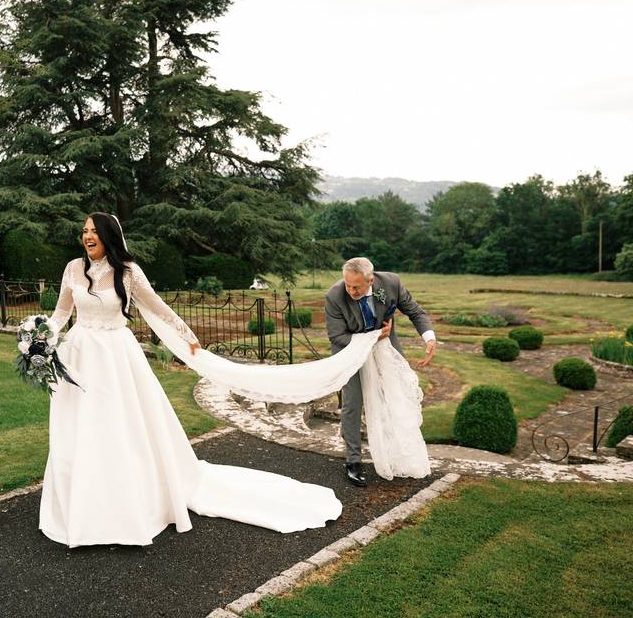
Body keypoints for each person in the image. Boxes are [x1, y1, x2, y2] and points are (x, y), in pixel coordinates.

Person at [40, 212, 344, 547]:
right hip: (80, 355)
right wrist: (39, 337)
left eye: (94, 231)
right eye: (84, 231)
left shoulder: (128, 272)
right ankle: (83, 498)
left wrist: (186, 335)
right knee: (81, 426)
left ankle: (127, 498)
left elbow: (157, 308)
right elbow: (61, 314)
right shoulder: (72, 268)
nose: (87, 236)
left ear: (108, 236)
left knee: (118, 424)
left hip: (114, 358)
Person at [324, 257, 435, 487]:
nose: (350, 290)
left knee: (398, 396)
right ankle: (353, 461)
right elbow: (337, 337)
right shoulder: (334, 296)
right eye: (347, 285)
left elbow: (415, 312)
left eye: (356, 286)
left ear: (370, 280)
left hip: (386, 348)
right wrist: (373, 336)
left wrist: (429, 337)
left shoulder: (391, 283)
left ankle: (399, 452)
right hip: (351, 350)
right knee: (353, 403)